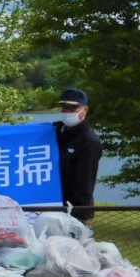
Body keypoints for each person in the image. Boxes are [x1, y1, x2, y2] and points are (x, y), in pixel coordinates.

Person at [55, 88, 102, 224]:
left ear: (85, 110)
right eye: (64, 108)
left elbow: (84, 183)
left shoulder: (89, 141)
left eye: (73, 108)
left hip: (74, 212)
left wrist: (78, 215)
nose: (67, 112)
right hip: (51, 205)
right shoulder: (55, 131)